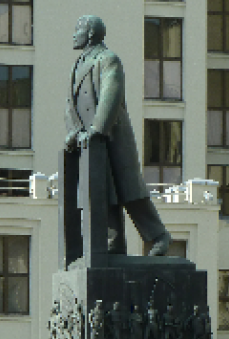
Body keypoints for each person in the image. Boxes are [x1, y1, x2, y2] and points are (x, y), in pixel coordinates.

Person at [65, 15, 172, 257]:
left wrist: (97, 130)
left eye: (78, 29)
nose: (73, 34)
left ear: (91, 33)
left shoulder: (108, 59)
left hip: (111, 137)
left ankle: (159, 236)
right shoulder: (78, 64)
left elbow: (110, 95)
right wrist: (73, 131)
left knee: (129, 191)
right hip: (89, 143)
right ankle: (113, 245)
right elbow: (71, 104)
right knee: (102, 194)